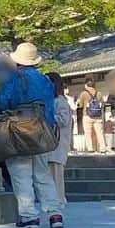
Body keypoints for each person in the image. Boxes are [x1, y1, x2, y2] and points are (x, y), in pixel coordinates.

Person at [0, 43, 64, 228]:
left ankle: (29, 216)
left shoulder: (14, 79)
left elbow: (1, 102)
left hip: (19, 131)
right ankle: (55, 214)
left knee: (21, 173)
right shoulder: (45, 80)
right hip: (42, 132)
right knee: (42, 174)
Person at [46, 72, 73, 206]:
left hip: (57, 144)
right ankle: (55, 200)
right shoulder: (55, 100)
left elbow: (63, 120)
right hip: (53, 144)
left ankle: (58, 200)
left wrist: (47, 118)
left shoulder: (60, 101)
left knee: (56, 175)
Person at [81, 78, 106, 153]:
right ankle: (102, 148)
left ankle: (90, 148)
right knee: (99, 133)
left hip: (87, 115)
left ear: (86, 85)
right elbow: (103, 104)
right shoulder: (99, 93)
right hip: (98, 116)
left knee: (88, 133)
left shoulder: (83, 93)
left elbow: (81, 105)